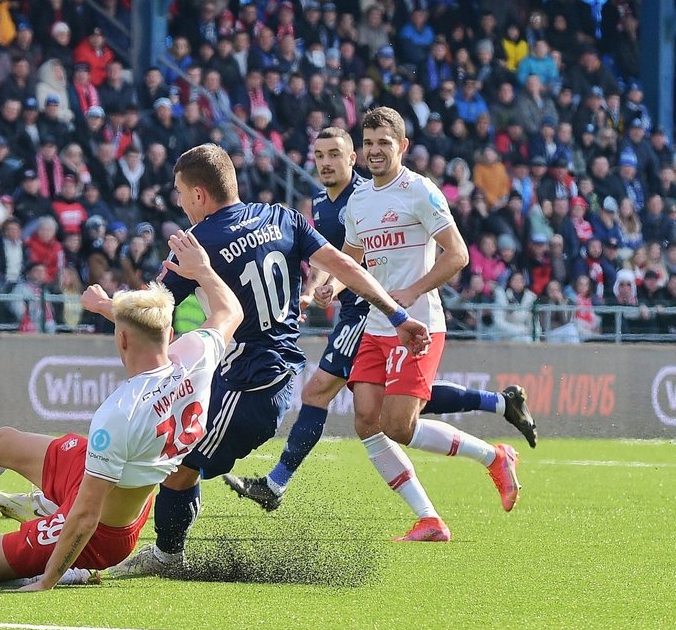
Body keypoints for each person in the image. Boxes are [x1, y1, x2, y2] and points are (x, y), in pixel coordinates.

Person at [0, 144, 432, 575]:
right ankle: (69, 510)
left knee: (174, 465)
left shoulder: (198, 244)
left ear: (199, 194)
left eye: (181, 193)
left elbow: (152, 310)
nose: (180, 203)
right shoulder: (281, 217)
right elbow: (343, 265)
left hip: (252, 385)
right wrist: (396, 314)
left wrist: (104, 304)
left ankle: (158, 555)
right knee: (159, 449)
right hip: (250, 375)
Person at [0, 228, 243, 588]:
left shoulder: (120, 412)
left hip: (102, 530)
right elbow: (230, 311)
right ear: (171, 333)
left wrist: (47, 580)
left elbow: (84, 517)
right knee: (3, 442)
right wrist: (201, 272)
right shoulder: (197, 354)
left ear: (123, 339)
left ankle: (72, 566)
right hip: (116, 486)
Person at [224, 129, 537, 513]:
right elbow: (336, 258)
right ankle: (495, 412)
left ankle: (276, 482)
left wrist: (350, 291)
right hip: (363, 313)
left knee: (321, 394)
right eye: (319, 155)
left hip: (370, 312)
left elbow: (415, 257)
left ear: (352, 158)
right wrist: (314, 291)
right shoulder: (322, 202)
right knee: (382, 412)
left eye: (334, 154)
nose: (325, 162)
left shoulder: (366, 194)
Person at [339, 107, 522, 542]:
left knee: (399, 425)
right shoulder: (358, 201)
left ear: (402, 146)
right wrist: (325, 285)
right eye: (369, 144)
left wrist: (413, 291)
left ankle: (493, 456)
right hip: (376, 326)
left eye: (384, 143)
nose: (375, 151)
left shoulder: (420, 191)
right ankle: (428, 519)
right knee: (366, 419)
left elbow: (457, 254)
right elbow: (350, 261)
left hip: (418, 324)